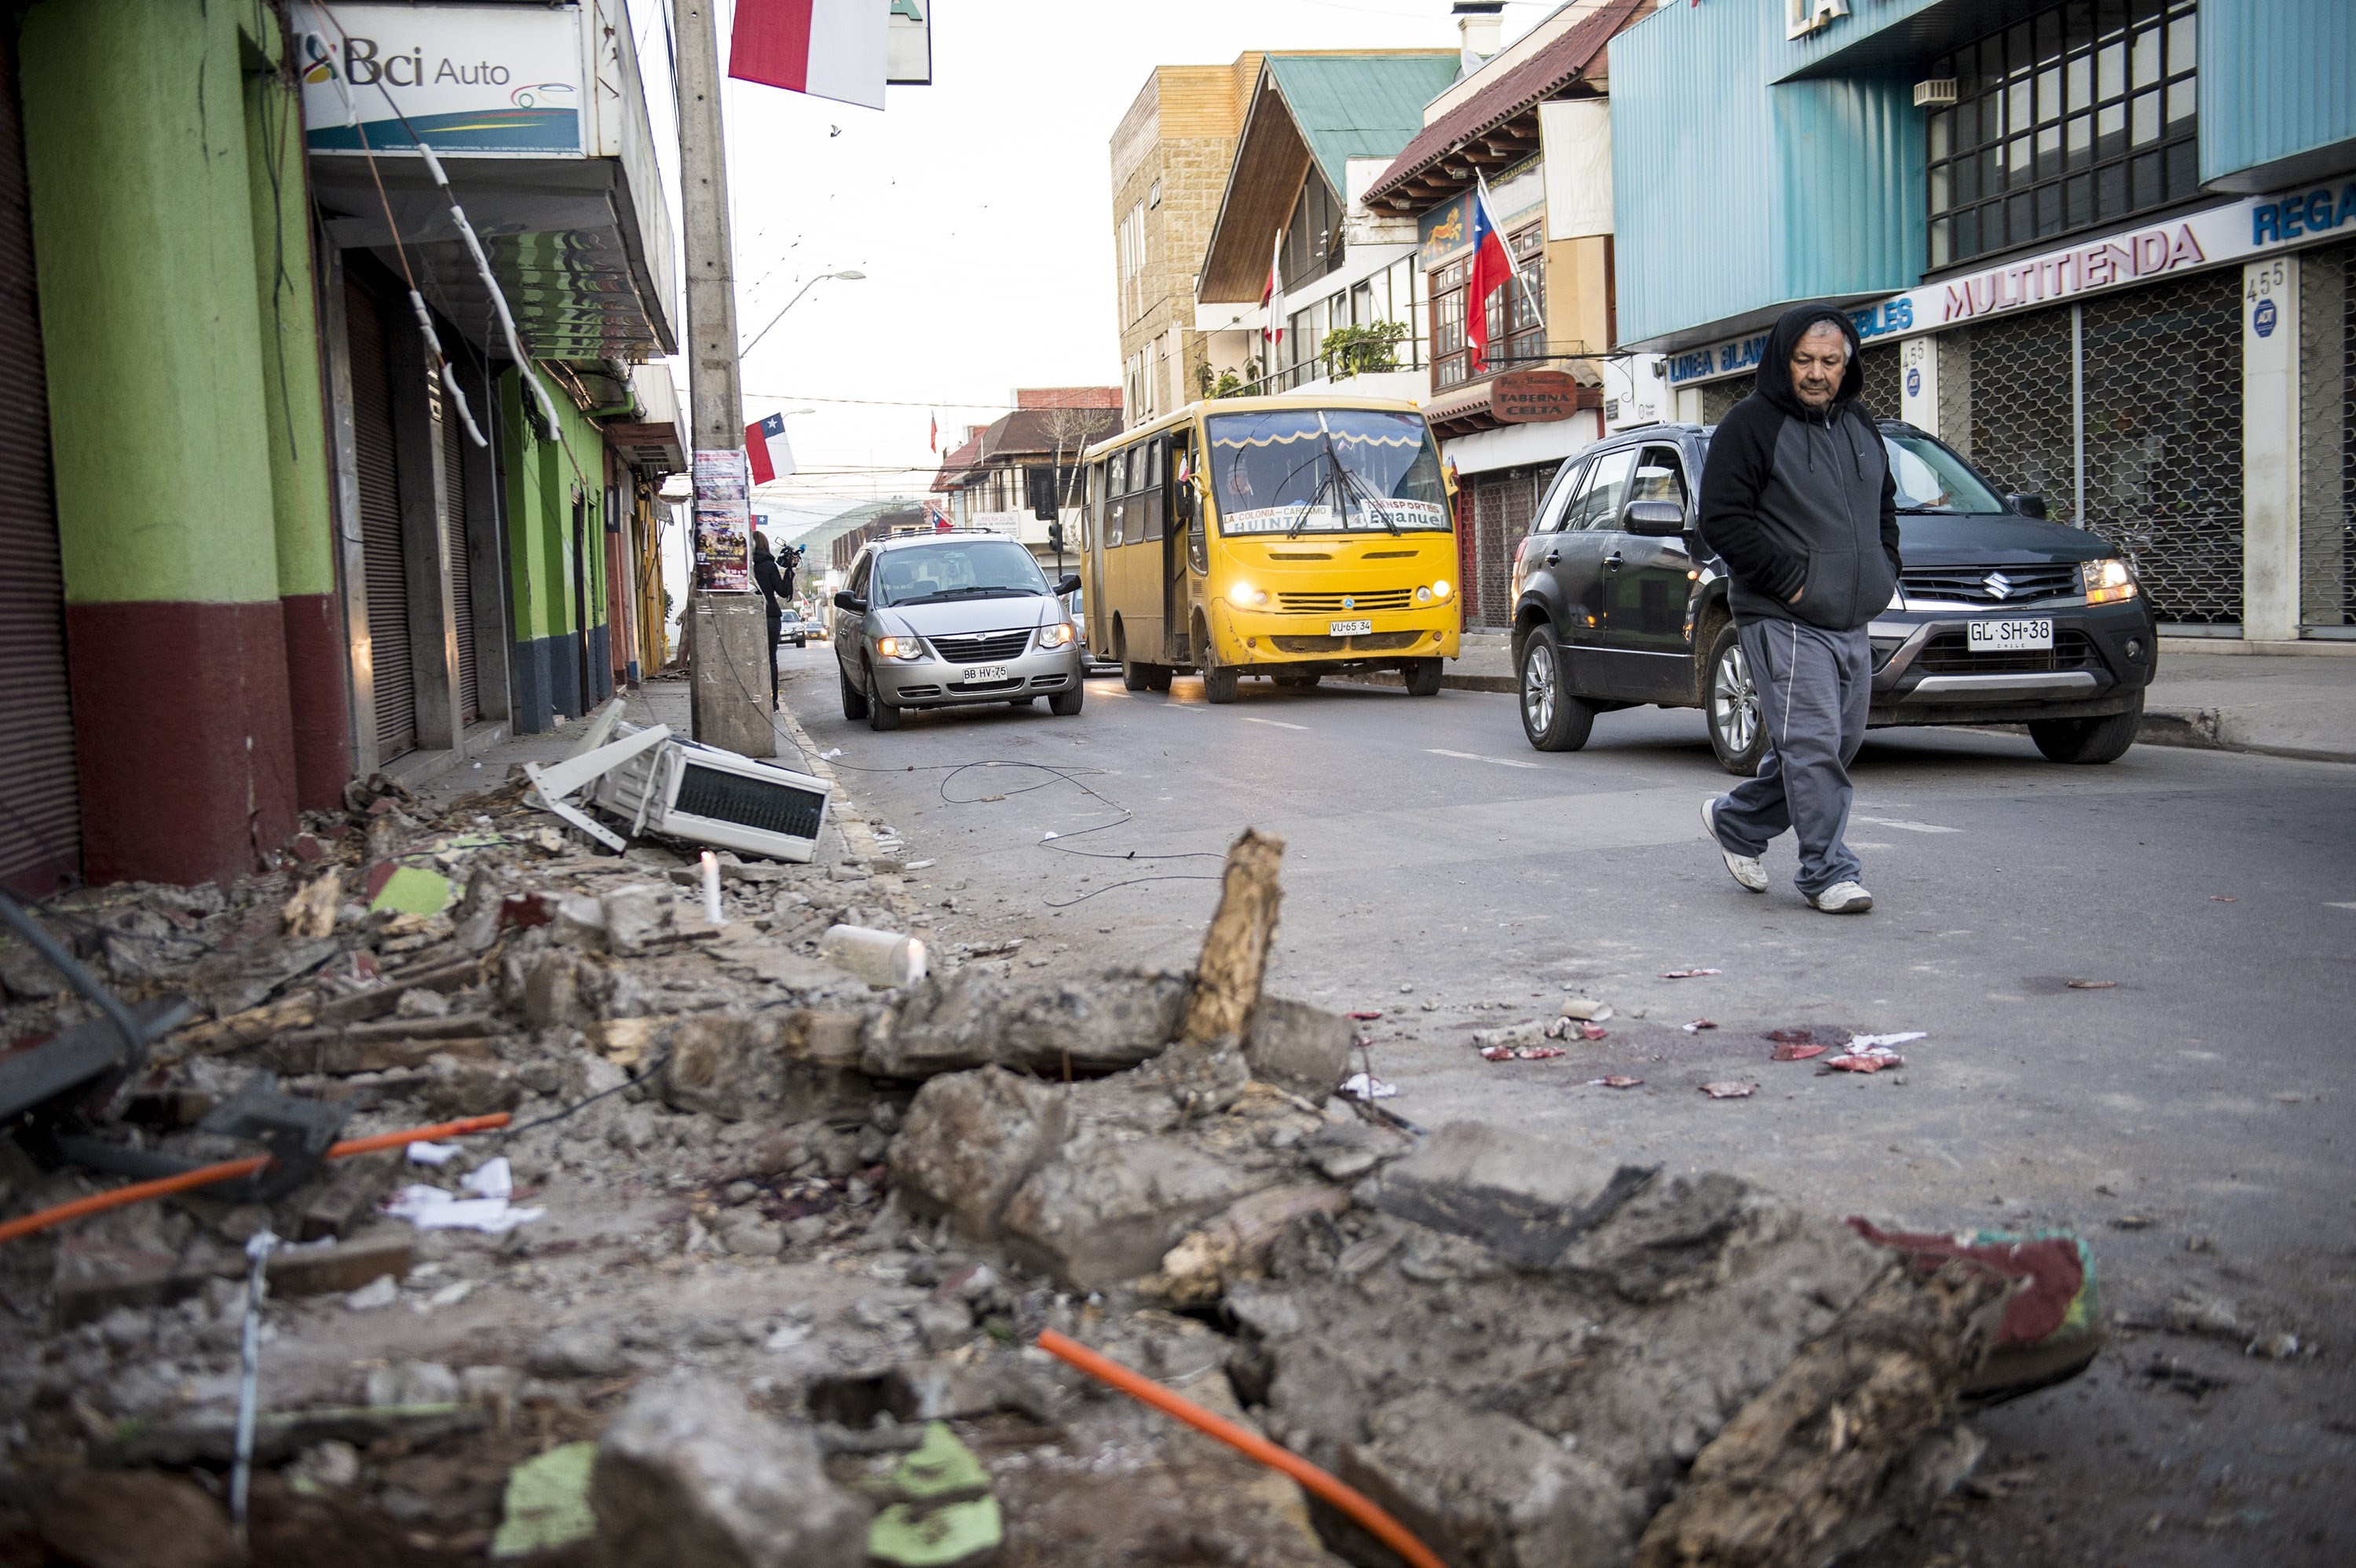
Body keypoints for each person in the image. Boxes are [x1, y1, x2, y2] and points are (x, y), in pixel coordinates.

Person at [1695, 305, 1901, 915]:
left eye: (1830, 361)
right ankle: (1827, 870)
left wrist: (1887, 567)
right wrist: (1794, 581)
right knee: (1811, 742)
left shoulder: (1861, 424)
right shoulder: (1750, 425)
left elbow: (1884, 504)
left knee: (1836, 744)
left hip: (1852, 616)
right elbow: (1722, 518)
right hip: (1781, 614)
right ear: (1785, 361)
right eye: (1805, 360)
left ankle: (1739, 820)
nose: (1817, 373)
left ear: (1848, 364)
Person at [752, 532, 787, 708]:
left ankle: (755, 695)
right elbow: (783, 591)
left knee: (754, 659)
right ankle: (772, 700)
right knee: (771, 658)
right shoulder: (769, 565)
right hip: (771, 615)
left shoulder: (747, 567)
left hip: (751, 615)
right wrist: (789, 573)